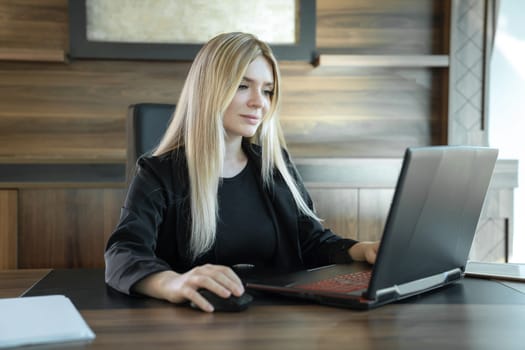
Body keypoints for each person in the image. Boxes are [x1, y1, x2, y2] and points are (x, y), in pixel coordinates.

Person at [105, 32, 379, 312]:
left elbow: (310, 242)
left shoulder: (275, 167)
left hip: (275, 320)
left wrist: (363, 249)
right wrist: (172, 283)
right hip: (193, 323)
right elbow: (123, 253)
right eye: (243, 86)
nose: (259, 102)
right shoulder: (158, 173)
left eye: (267, 90)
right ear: (209, 89)